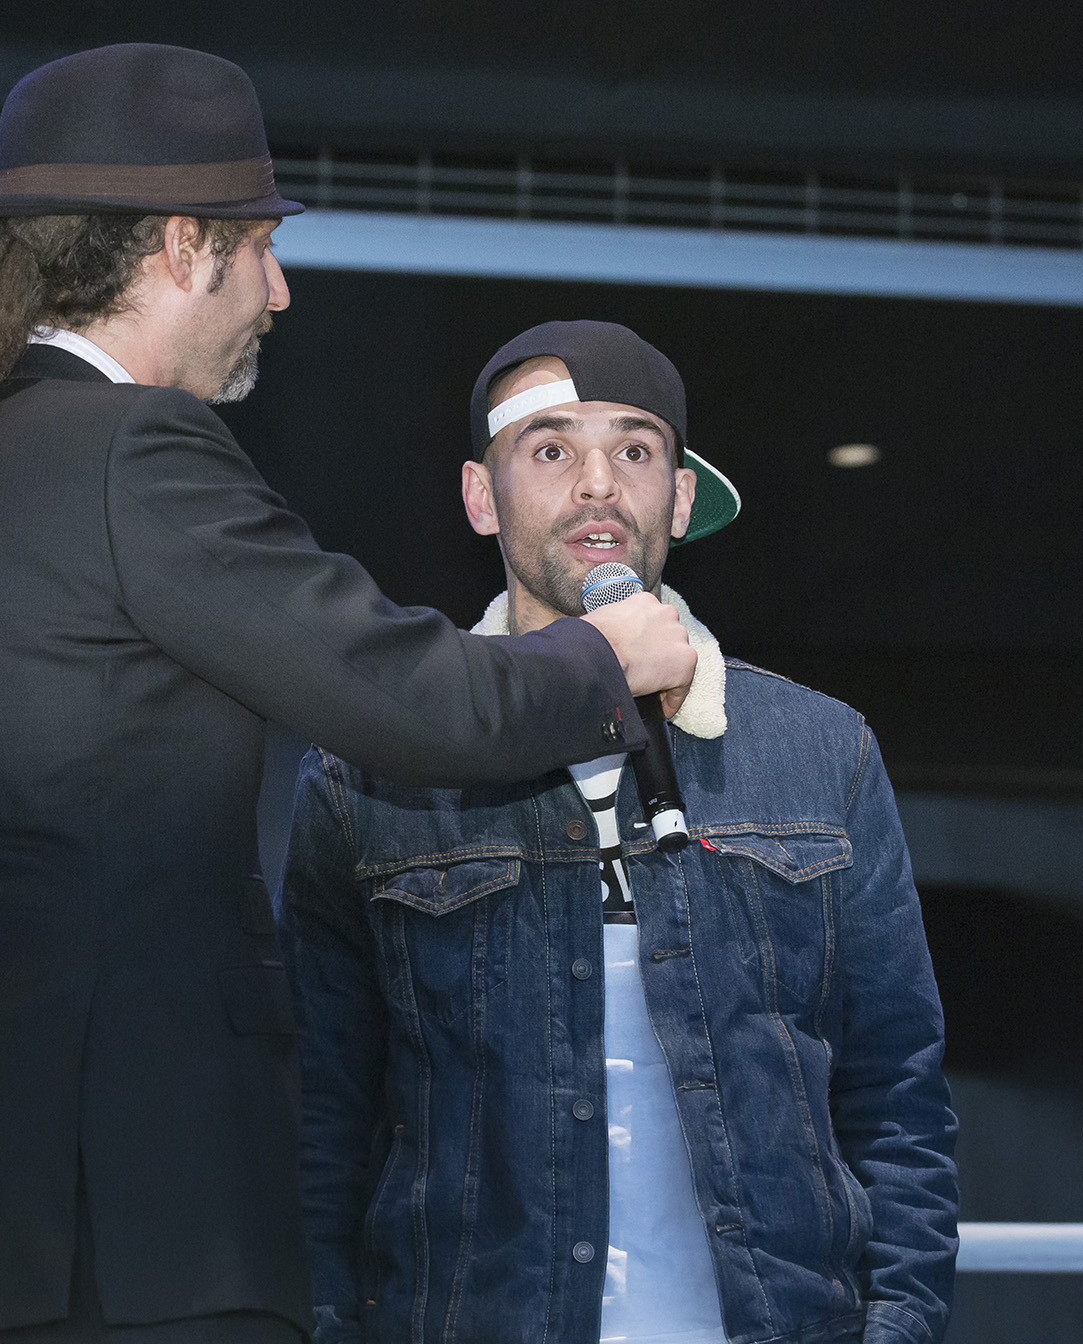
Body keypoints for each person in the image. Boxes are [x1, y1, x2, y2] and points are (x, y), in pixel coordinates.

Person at [0, 50, 695, 1344]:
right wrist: (610, 656)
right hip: (137, 1258)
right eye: (260, 248)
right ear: (180, 246)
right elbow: (411, 697)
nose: (280, 289)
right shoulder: (125, 448)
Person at [281, 321, 959, 1344]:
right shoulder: (369, 771)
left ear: (678, 499)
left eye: (634, 450)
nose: (598, 485)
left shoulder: (823, 754)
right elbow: (318, 1121)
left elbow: (899, 1097)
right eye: (552, 449)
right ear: (481, 496)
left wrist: (901, 1326)